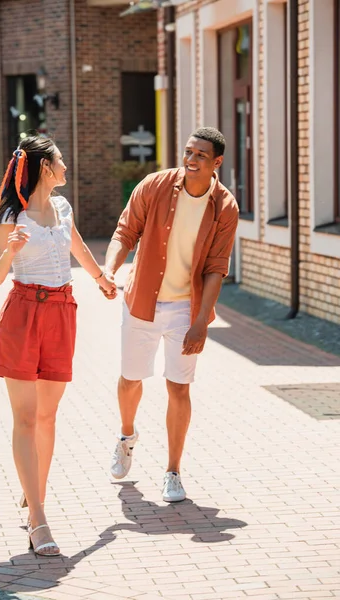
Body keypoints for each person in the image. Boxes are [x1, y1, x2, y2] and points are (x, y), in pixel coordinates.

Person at [0, 135, 116, 556]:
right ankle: (38, 519)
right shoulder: (11, 213)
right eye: (61, 161)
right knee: (25, 418)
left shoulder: (62, 208)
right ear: (46, 167)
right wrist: (10, 252)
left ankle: (32, 492)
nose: (66, 168)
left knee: (47, 416)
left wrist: (100, 278)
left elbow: (74, 243)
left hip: (62, 311)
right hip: (23, 311)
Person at [102, 127, 239, 502]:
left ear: (217, 163)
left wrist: (200, 322)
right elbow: (125, 232)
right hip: (142, 300)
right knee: (131, 379)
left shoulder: (225, 207)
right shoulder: (155, 185)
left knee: (179, 387)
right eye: (188, 152)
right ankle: (126, 436)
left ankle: (173, 471)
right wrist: (110, 270)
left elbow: (216, 267)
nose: (190, 160)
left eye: (199, 155)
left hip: (185, 308)